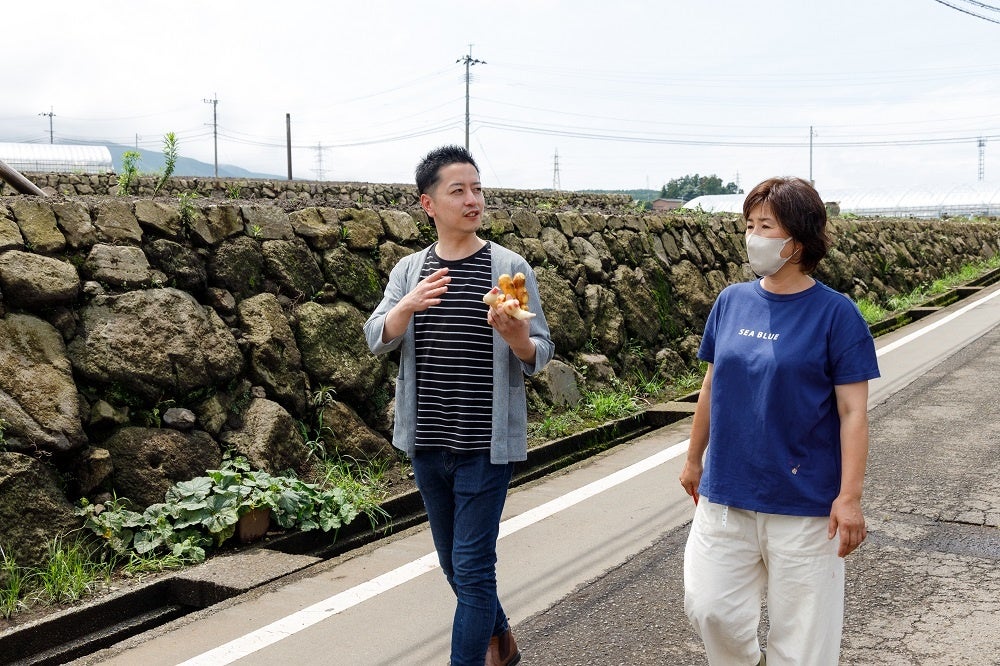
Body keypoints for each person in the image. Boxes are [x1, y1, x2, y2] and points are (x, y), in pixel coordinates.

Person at [678, 177, 880, 666]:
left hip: (806, 503)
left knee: (804, 642)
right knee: (709, 609)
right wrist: (692, 458)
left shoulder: (837, 315)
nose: (754, 236)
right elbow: (711, 385)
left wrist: (848, 498)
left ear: (798, 240)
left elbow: (853, 412)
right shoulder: (731, 302)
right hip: (729, 493)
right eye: (749, 225)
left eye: (765, 226)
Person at [364, 145, 554, 666]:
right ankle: (504, 640)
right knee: (453, 564)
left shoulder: (508, 267)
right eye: (459, 191)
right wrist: (406, 306)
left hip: (485, 446)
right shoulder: (410, 271)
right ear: (429, 204)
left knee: (472, 570)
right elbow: (376, 336)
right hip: (427, 442)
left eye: (477, 189)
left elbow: (541, 350)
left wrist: (517, 337)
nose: (473, 200)